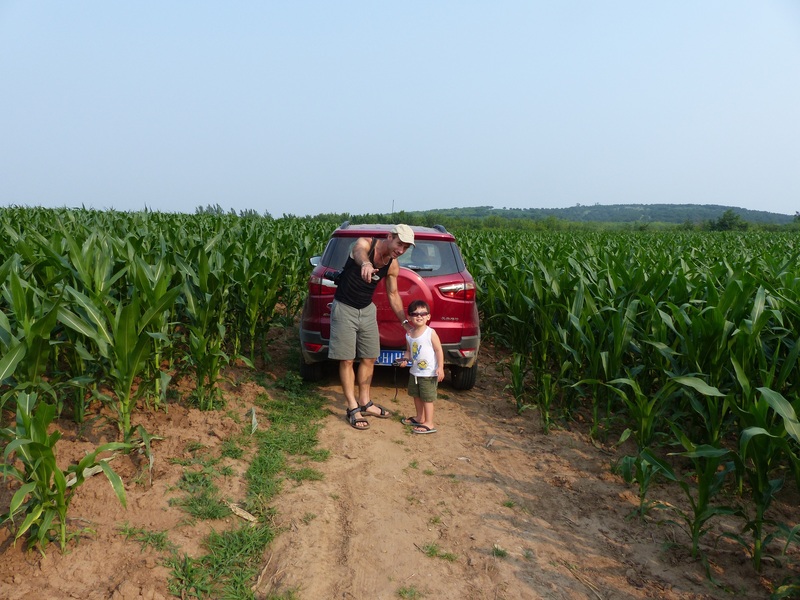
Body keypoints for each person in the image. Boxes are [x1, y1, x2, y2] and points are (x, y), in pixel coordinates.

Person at [328, 224, 415, 430]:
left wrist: (405, 322)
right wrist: (366, 264)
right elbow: (359, 253)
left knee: (370, 357)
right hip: (345, 307)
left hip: (367, 310)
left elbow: (393, 295)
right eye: (399, 244)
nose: (400, 250)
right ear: (389, 236)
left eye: (405, 248)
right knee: (347, 359)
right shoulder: (365, 244)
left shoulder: (392, 265)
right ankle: (352, 407)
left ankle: (365, 402)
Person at [399, 299, 445, 434]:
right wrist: (405, 360)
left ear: (428, 317)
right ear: (409, 317)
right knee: (416, 395)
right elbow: (408, 351)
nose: (419, 316)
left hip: (428, 373)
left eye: (423, 313)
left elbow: (438, 350)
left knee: (427, 398)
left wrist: (440, 367)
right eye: (415, 314)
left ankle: (429, 423)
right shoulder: (409, 334)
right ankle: (420, 417)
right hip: (415, 372)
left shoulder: (430, 333)